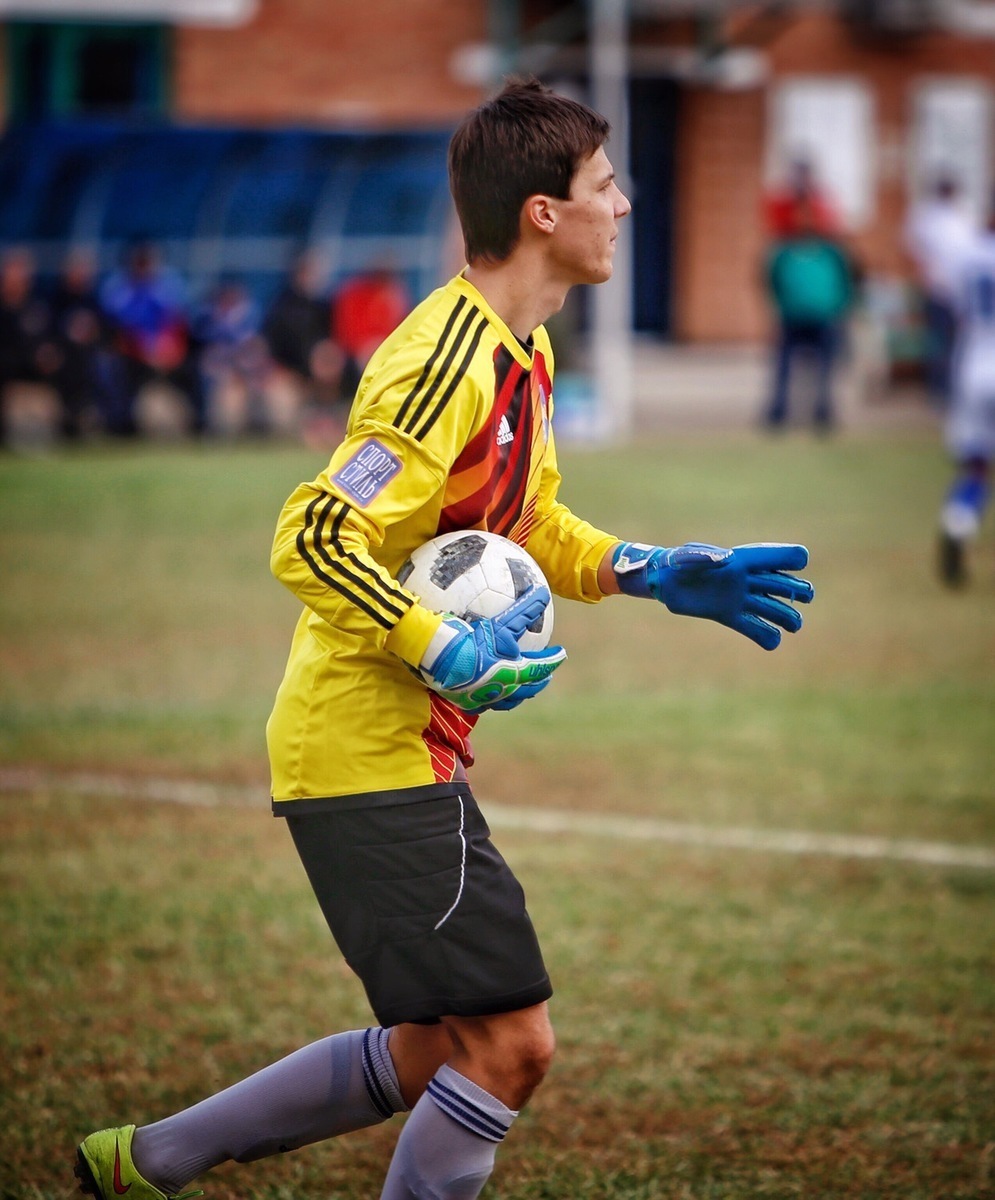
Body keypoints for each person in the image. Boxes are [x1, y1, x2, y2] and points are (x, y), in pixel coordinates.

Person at [74, 77, 814, 1200]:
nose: (624, 206)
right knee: (511, 1047)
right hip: (363, 752)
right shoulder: (439, 363)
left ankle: (147, 1162)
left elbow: (529, 525)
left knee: (441, 1050)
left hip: (402, 751)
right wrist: (439, 644)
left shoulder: (523, 352)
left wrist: (647, 569)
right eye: (605, 186)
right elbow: (310, 532)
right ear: (541, 214)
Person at [762, 195, 857, 433]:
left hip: (825, 318)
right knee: (783, 367)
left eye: (811, 215)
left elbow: (848, 282)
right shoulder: (784, 252)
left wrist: (840, 308)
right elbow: (770, 281)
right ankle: (779, 410)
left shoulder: (831, 252)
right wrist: (781, 306)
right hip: (791, 318)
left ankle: (823, 410)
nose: (805, 221)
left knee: (826, 367)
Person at [936, 200, 995, 586]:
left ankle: (958, 523)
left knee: (976, 464)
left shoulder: (969, 254)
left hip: (974, 366)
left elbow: (954, 306)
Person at [98, 240, 206, 436]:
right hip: (133, 357)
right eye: (141, 262)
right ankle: (121, 426)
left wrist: (170, 348)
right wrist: (144, 350)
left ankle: (199, 424)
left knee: (195, 366)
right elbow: (116, 334)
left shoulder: (170, 286)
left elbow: (179, 325)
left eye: (149, 261)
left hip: (168, 356)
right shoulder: (117, 291)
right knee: (111, 366)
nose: (146, 266)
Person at [904, 172, 977, 407]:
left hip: (961, 292)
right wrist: (925, 272)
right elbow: (911, 247)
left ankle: (957, 390)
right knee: (938, 342)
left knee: (960, 343)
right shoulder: (927, 217)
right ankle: (938, 391)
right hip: (937, 289)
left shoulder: (963, 215)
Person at [333, 264, 412, 401]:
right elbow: (348, 331)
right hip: (358, 350)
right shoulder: (357, 295)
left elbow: (404, 332)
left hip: (388, 349)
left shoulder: (397, 298)